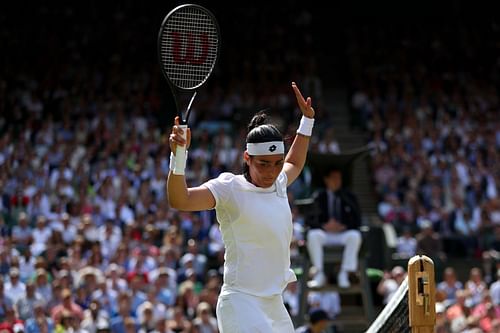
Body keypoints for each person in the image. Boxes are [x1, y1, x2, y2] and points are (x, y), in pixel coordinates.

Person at [167, 82, 315, 332]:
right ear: (247, 158)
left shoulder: (279, 182)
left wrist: (307, 120)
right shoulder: (229, 188)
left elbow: (296, 162)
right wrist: (179, 155)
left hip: (274, 304)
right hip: (240, 302)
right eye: (263, 164)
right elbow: (180, 200)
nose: (272, 171)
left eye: (277, 163)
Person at [306, 168, 362, 288]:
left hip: (343, 234)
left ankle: (344, 273)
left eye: (339, 178)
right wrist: (324, 226)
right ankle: (319, 273)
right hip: (325, 234)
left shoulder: (349, 196)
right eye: (334, 178)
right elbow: (310, 219)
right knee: (313, 235)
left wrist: (343, 226)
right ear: (326, 180)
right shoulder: (319, 196)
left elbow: (357, 219)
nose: (337, 181)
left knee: (355, 236)